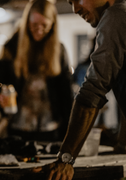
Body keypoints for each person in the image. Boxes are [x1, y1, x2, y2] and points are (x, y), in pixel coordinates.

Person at [37, 0, 126, 179]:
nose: (75, 8)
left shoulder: (115, 16)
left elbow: (92, 90)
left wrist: (65, 159)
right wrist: (120, 141)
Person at [0, 0, 73, 141]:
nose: (39, 30)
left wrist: (69, 130)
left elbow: (66, 94)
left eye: (45, 25)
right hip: (18, 126)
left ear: (53, 25)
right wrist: (0, 97)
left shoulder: (59, 51)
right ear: (27, 22)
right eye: (34, 25)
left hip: (50, 126)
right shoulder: (12, 48)